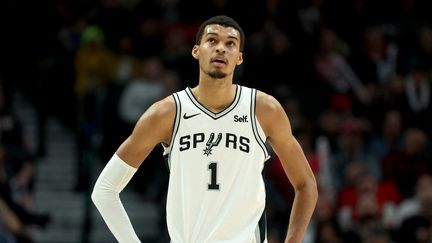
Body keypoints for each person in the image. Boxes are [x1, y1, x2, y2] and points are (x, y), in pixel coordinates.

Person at [91, 15, 318, 243]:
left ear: (239, 58)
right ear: (196, 50)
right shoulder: (166, 113)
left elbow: (306, 184)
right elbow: (104, 190)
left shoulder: (264, 109)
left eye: (230, 43)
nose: (221, 48)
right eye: (212, 40)